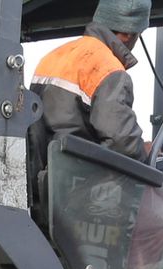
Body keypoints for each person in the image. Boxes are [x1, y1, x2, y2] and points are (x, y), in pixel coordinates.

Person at [33, 1, 154, 159]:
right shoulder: (109, 70)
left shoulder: (52, 57)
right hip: (77, 177)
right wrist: (145, 151)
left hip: (44, 174)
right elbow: (122, 144)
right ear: (128, 34)